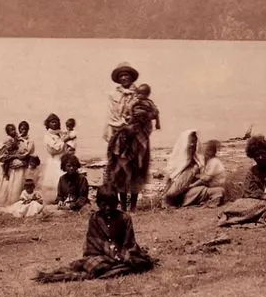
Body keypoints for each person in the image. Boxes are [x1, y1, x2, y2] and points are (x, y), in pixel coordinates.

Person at [35, 184, 155, 283]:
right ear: (98, 203)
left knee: (142, 262)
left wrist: (122, 254)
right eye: (104, 205)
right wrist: (111, 254)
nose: (108, 208)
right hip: (100, 255)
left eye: (111, 204)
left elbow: (130, 242)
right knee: (94, 265)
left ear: (117, 203)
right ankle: (116, 268)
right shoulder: (95, 218)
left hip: (121, 253)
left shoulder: (125, 218)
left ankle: (116, 267)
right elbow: (94, 242)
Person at [104, 63, 153, 213]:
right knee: (120, 170)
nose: (125, 78)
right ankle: (123, 206)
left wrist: (140, 123)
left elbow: (148, 111)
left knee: (137, 169)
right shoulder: (113, 95)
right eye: (121, 76)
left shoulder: (139, 93)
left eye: (127, 75)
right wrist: (123, 126)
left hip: (138, 136)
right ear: (118, 79)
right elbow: (111, 115)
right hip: (120, 135)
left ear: (132, 78)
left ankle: (133, 206)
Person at [217, 135, 266, 226]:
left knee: (261, 208)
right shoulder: (252, 171)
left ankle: (233, 219)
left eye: (262, 154)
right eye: (256, 156)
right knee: (237, 203)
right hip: (255, 201)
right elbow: (247, 192)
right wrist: (264, 196)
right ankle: (232, 216)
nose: (260, 157)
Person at [164, 131, 226, 208]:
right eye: (190, 141)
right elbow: (170, 189)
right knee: (218, 191)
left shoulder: (198, 161)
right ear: (184, 143)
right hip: (177, 195)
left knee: (219, 191)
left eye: (194, 141)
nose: (192, 144)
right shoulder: (175, 162)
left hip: (191, 191)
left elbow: (203, 179)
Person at [0, 124, 27, 206]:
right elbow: (6, 151)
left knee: (17, 175)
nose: (14, 131)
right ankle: (8, 198)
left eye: (14, 129)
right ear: (8, 132)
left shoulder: (16, 138)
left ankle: (18, 196)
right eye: (11, 130)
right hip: (9, 158)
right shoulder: (8, 139)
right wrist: (14, 149)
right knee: (7, 175)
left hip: (13, 157)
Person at [40, 114, 66, 204]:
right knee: (56, 179)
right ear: (48, 124)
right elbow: (54, 149)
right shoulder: (48, 136)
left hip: (64, 159)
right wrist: (63, 141)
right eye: (52, 122)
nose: (54, 124)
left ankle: (64, 198)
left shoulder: (61, 133)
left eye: (56, 122)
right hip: (55, 160)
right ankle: (56, 198)